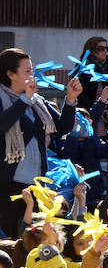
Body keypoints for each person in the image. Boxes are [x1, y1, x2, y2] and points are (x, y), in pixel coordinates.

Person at [0, 48, 80, 238]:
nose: (32, 75)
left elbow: (61, 127)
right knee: (12, 238)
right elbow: (2, 125)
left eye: (32, 70)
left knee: (34, 238)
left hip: (36, 184)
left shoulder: (36, 101)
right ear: (10, 74)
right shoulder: (5, 99)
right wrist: (24, 99)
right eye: (27, 71)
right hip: (8, 184)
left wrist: (70, 100)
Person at [76, 36, 108, 127]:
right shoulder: (82, 66)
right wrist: (97, 108)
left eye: (106, 48)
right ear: (91, 49)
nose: (105, 51)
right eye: (101, 48)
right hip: (87, 111)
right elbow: (80, 93)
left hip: (106, 115)